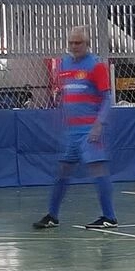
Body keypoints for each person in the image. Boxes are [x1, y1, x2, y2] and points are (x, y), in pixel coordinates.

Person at [32, 27, 118, 230]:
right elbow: (66, 95)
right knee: (63, 170)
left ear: (87, 43)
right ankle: (52, 215)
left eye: (78, 42)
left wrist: (98, 124)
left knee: (98, 168)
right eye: (71, 42)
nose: (73, 46)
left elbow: (106, 98)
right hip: (72, 131)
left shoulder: (96, 65)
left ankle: (109, 217)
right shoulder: (64, 64)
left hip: (90, 129)